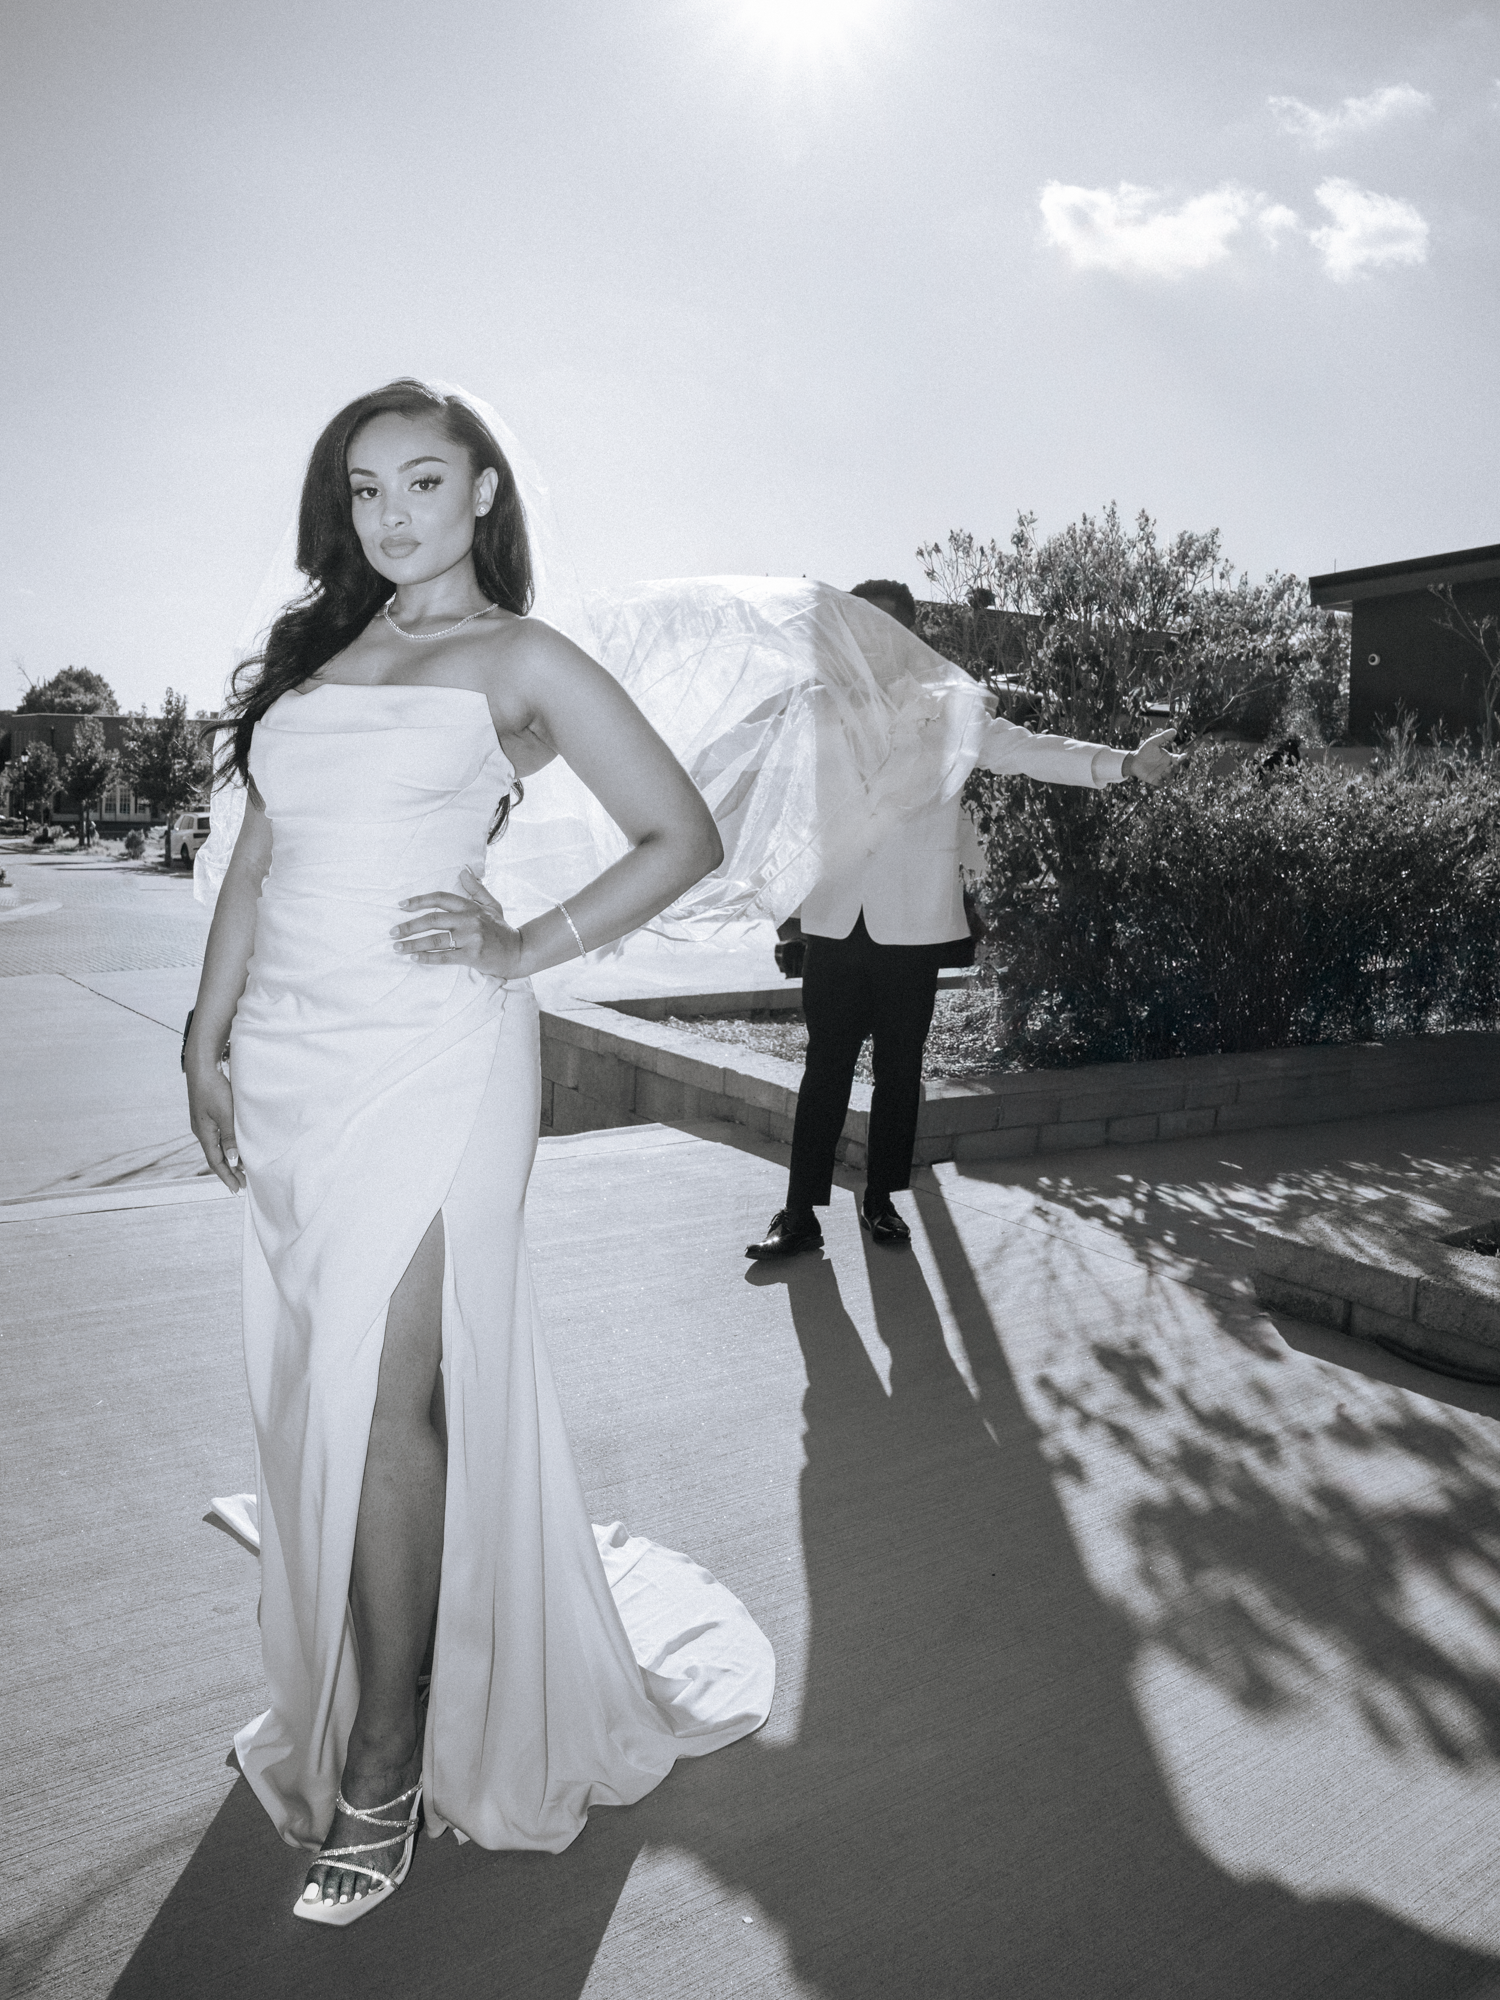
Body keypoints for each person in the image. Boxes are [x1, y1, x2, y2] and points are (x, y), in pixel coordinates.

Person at [186, 381, 773, 1926]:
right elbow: (261, 852)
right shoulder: (321, 657)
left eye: (424, 482)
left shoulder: (519, 658)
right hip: (297, 1053)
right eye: (364, 489)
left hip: (437, 1049)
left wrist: (526, 943)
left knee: (393, 1391)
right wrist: (206, 1028)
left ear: (485, 493)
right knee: (333, 1375)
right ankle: (391, 1668)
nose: (391, 514)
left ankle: (384, 1766)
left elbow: (681, 833)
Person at [746, 577, 1179, 1261]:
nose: (870, 642)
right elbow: (772, 790)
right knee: (823, 1069)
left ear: (911, 637)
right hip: (832, 921)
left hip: (911, 927)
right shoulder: (817, 706)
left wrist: (1122, 763)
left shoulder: (951, 711)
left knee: (898, 1070)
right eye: (860, 627)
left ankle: (881, 1200)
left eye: (885, 630)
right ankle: (798, 1214)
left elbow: (1027, 749)